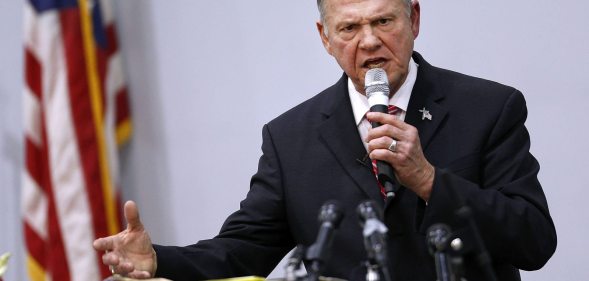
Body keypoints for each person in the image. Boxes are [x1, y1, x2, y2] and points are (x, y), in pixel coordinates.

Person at [93, 0, 557, 280]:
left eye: (384, 21)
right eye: (350, 28)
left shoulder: (489, 107)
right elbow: (242, 249)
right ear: (325, 38)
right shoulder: (291, 137)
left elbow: (534, 240)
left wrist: (431, 181)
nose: (370, 41)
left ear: (414, 17)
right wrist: (160, 261)